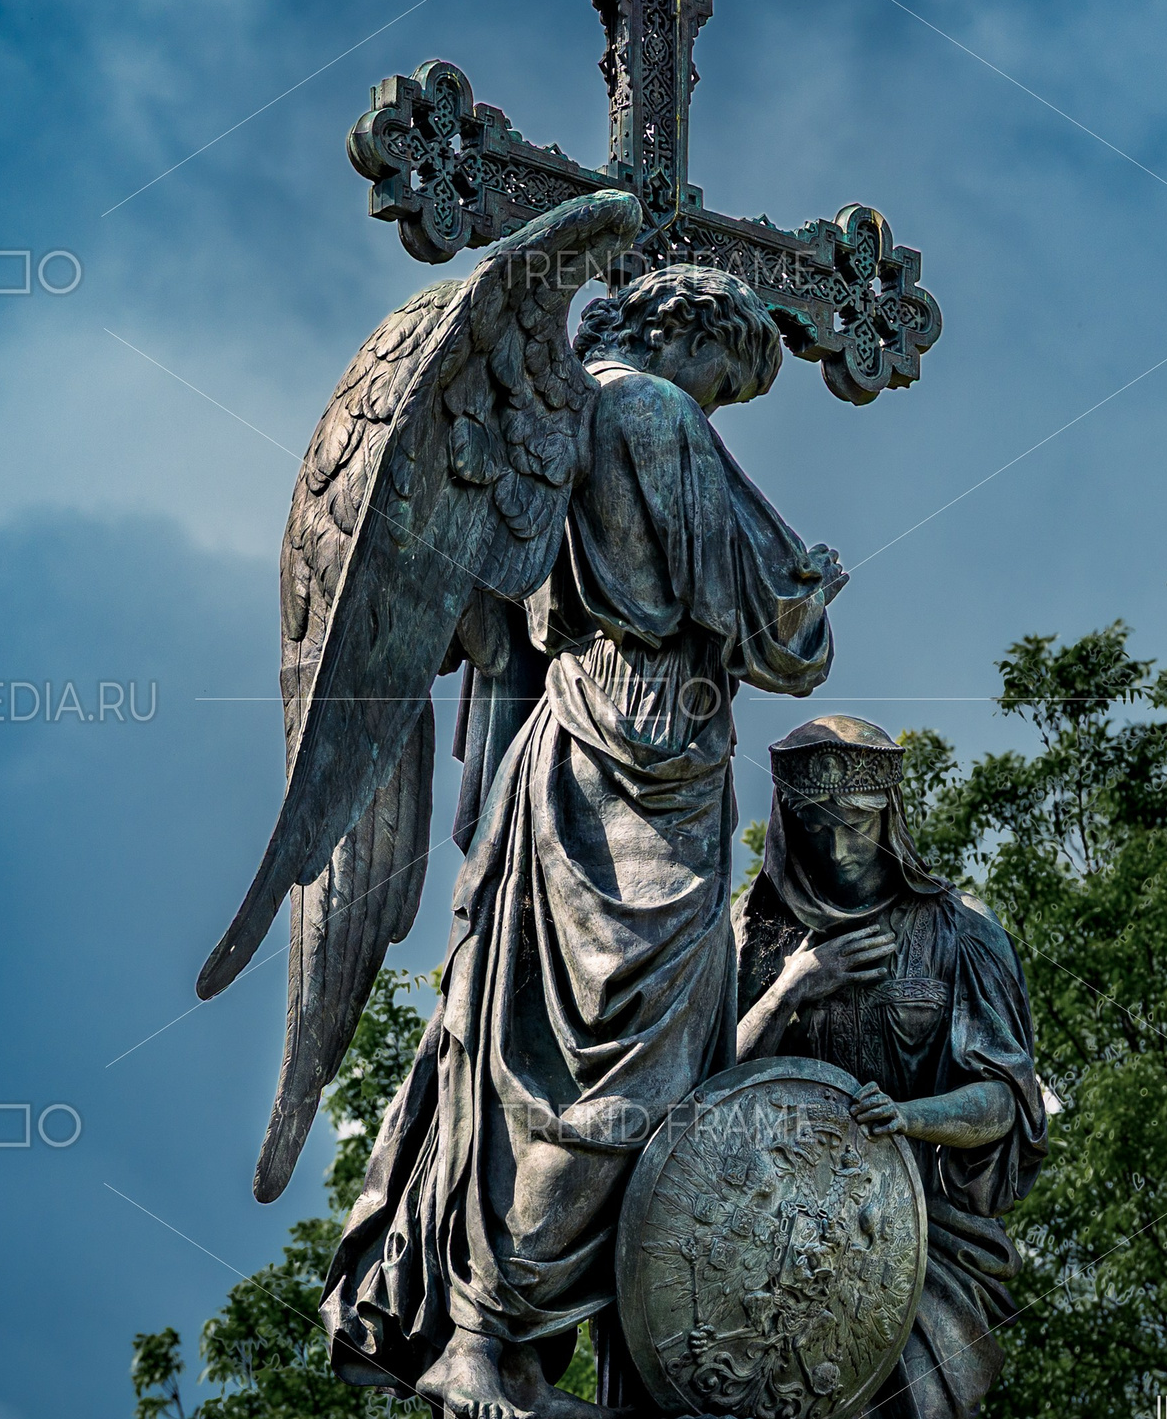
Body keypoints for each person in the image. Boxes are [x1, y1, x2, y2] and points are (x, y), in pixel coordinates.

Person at [324, 265, 848, 1419]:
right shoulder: (650, 412)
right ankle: (487, 1334)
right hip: (639, 760)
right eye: (726, 375)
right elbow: (739, 617)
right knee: (620, 1069)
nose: (717, 404)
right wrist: (802, 603)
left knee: (554, 1062)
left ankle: (495, 1343)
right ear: (693, 332)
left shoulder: (571, 413)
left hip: (588, 748)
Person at [734, 715, 1048, 1419]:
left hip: (927, 1240)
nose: (840, 845)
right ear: (788, 822)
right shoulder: (752, 939)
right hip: (774, 1244)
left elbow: (1004, 1100)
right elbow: (705, 1095)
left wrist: (910, 1118)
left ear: (890, 815)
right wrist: (792, 987)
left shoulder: (961, 932)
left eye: (858, 822)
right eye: (816, 824)